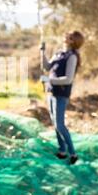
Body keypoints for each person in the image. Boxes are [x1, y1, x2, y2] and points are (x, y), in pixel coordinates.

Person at [40, 31, 85, 165]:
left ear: (72, 41)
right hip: (52, 92)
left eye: (68, 36)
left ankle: (73, 153)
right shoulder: (59, 53)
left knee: (60, 125)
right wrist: (42, 52)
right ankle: (62, 151)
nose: (64, 37)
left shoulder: (72, 57)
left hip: (61, 94)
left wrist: (49, 80)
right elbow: (47, 66)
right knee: (55, 123)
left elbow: (68, 79)